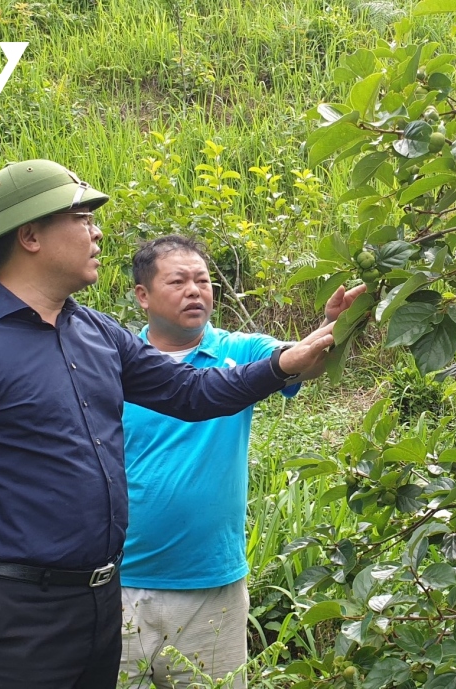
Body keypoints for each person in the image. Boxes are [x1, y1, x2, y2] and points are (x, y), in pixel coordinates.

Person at [0, 160, 348, 689]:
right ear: (30, 235)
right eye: (81, 217)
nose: (97, 231)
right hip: (14, 614)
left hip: (101, 603)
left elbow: (189, 392)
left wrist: (285, 362)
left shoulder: (96, 332)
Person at [117, 236, 364, 688]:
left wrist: (335, 325)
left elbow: (298, 362)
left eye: (203, 280)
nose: (195, 290)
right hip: (114, 581)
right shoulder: (111, 362)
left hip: (210, 586)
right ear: (142, 295)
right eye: (178, 280)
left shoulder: (240, 351)